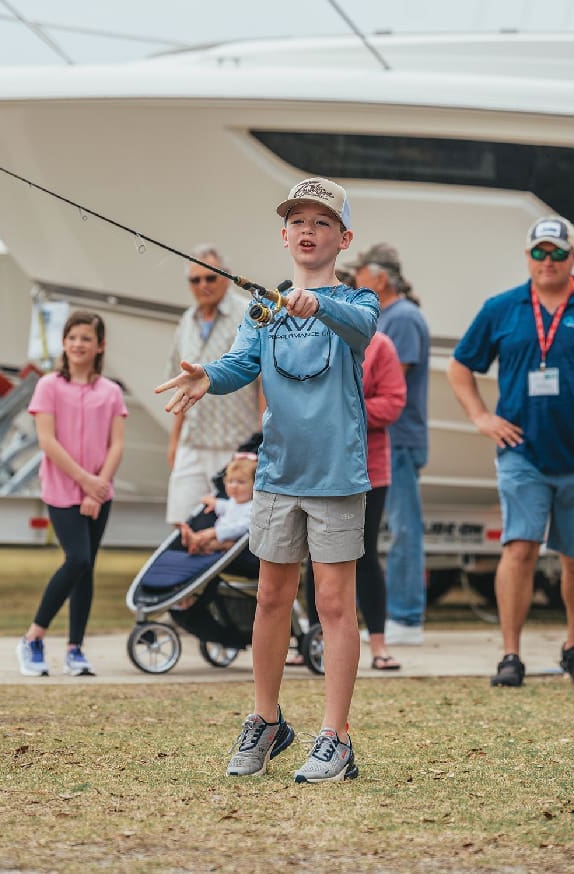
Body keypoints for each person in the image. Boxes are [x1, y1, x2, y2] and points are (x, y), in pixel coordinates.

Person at [156, 176, 379, 783]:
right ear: (284, 236)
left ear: (343, 237)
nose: (308, 230)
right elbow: (240, 363)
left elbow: (358, 331)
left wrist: (318, 304)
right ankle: (267, 721)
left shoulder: (359, 303)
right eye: (297, 221)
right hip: (277, 476)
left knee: (333, 605)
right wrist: (207, 376)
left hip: (336, 479)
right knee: (270, 599)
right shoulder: (264, 308)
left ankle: (337, 738)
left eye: (322, 222)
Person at [447, 215, 574, 686]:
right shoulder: (502, 308)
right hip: (521, 453)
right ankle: (511, 655)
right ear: (528, 257)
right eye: (539, 253)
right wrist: (482, 419)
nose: (547, 261)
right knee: (520, 546)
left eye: (557, 253)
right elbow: (460, 366)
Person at [16, 311, 127, 677]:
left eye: (86, 338)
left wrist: (99, 486)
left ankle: (75, 649)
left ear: (100, 345)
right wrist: (85, 481)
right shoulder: (48, 386)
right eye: (72, 337)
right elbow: (47, 441)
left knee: (87, 568)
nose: (78, 344)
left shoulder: (110, 391)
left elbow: (116, 444)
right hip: (63, 489)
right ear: (64, 343)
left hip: (100, 489)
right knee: (76, 559)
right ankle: (33, 638)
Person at [293, 329, 407, 670]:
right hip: (317, 468)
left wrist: (342, 408)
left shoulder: (381, 344)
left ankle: (378, 645)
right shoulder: (306, 339)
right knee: (316, 558)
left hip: (368, 470)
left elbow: (393, 402)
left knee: (366, 555)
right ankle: (315, 641)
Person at [350, 245, 430, 645]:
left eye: (360, 272)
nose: (355, 280)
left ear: (380, 278)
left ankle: (406, 617)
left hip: (396, 440)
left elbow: (390, 381)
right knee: (388, 532)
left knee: (402, 529)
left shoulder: (401, 319)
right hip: (384, 442)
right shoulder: (389, 316)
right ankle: (397, 613)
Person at [165, 244, 262, 526]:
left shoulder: (248, 313)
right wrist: (174, 441)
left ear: (227, 276)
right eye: (196, 280)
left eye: (210, 277)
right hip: (193, 441)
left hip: (236, 442)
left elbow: (263, 384)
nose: (203, 285)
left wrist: (262, 437)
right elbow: (180, 384)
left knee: (235, 528)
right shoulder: (186, 320)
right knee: (181, 522)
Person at [181, 454, 257, 555]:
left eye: (241, 482)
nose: (234, 486)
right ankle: (197, 544)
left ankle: (196, 541)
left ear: (255, 485)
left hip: (235, 540)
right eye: (230, 481)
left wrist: (215, 532)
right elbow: (225, 507)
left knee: (226, 543)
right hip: (219, 534)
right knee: (209, 537)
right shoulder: (233, 501)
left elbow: (243, 528)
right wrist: (215, 503)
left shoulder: (252, 507)